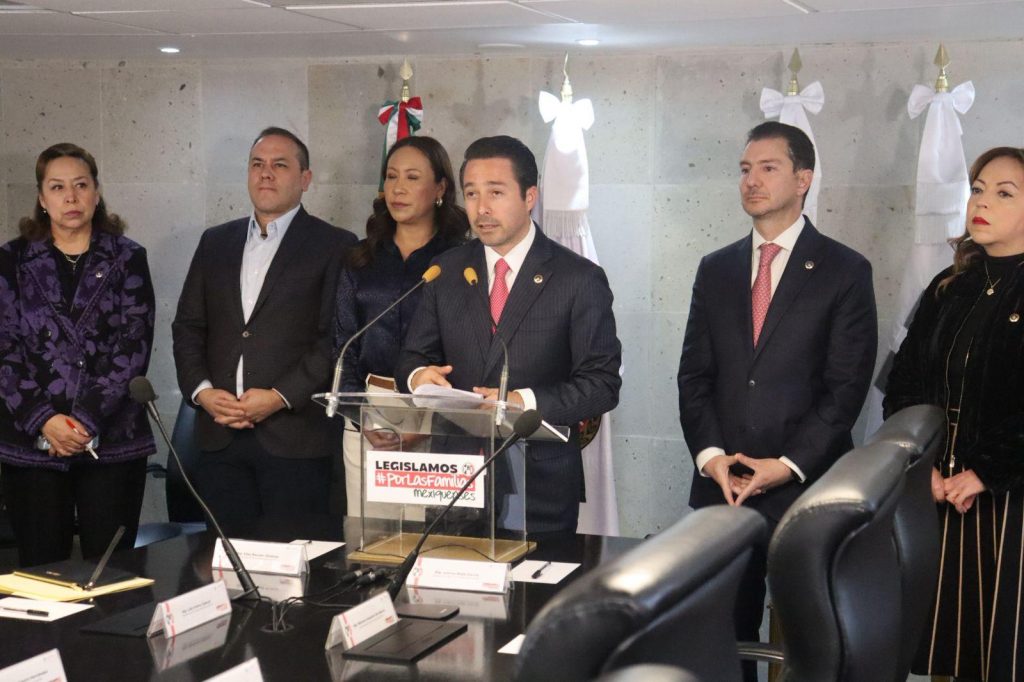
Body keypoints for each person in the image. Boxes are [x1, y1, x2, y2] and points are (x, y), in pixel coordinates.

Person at [677, 121, 877, 678]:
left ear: (803, 179)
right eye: (745, 169)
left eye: (768, 168)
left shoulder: (844, 270)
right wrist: (711, 457)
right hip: (723, 489)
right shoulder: (715, 269)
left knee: (810, 647)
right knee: (722, 642)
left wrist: (786, 465)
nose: (752, 181)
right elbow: (694, 377)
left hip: (806, 490)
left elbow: (845, 389)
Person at [395, 135, 621, 533]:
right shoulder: (446, 270)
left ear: (530, 196)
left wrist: (520, 402)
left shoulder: (578, 278)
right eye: (471, 193)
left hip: (539, 487)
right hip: (455, 484)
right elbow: (411, 357)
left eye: (496, 193)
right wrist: (418, 377)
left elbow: (601, 385)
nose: (481, 208)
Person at [172, 126, 357, 532]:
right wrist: (202, 392)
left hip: (296, 440)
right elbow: (188, 326)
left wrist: (278, 397)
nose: (266, 173)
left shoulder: (335, 245)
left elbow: (334, 339)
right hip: (220, 438)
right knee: (226, 560)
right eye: (257, 164)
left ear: (305, 179)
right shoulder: (215, 242)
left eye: (279, 165)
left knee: (296, 562)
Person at [884, 146, 1024, 682]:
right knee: (947, 649)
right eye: (978, 189)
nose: (981, 203)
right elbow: (903, 383)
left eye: (1004, 193)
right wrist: (923, 465)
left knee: (1004, 647)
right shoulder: (951, 284)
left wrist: (986, 471)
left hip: (1010, 499)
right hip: (940, 490)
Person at [0, 143, 156, 567]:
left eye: (81, 185)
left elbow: (133, 347)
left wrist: (84, 421)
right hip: (33, 441)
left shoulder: (128, 257)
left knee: (112, 573)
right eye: (57, 187)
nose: (71, 197)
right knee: (42, 573)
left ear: (96, 192)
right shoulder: (12, 260)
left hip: (111, 437)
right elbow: (5, 349)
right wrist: (46, 421)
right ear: (41, 198)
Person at [333, 136, 468, 516]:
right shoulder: (360, 258)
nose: (398, 188)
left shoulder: (461, 260)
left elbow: (469, 348)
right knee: (371, 539)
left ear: (440, 188)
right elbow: (343, 344)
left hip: (437, 411)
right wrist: (362, 416)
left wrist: (428, 421)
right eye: (391, 177)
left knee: (425, 538)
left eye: (412, 177)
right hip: (369, 411)